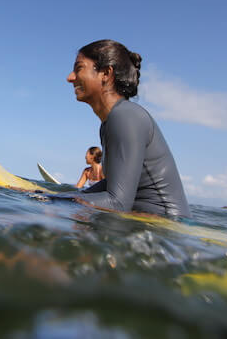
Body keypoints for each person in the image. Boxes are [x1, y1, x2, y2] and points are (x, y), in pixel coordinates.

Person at [64, 39, 191, 217]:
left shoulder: (125, 116)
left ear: (106, 74)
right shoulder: (110, 122)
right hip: (148, 226)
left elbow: (117, 203)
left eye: (79, 69)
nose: (70, 77)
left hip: (163, 230)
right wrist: (48, 196)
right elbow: (110, 186)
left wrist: (50, 202)